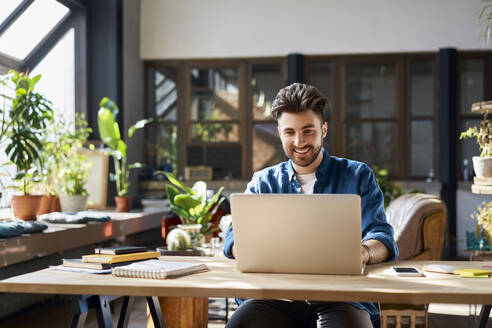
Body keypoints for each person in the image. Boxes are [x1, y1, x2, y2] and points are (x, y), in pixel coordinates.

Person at [223, 83, 398, 328]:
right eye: (290, 132)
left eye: (308, 131)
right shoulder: (263, 182)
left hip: (343, 299)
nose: (299, 141)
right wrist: (250, 250)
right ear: (279, 132)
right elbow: (233, 237)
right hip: (275, 297)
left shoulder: (357, 175)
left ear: (323, 129)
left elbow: (381, 235)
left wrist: (364, 252)